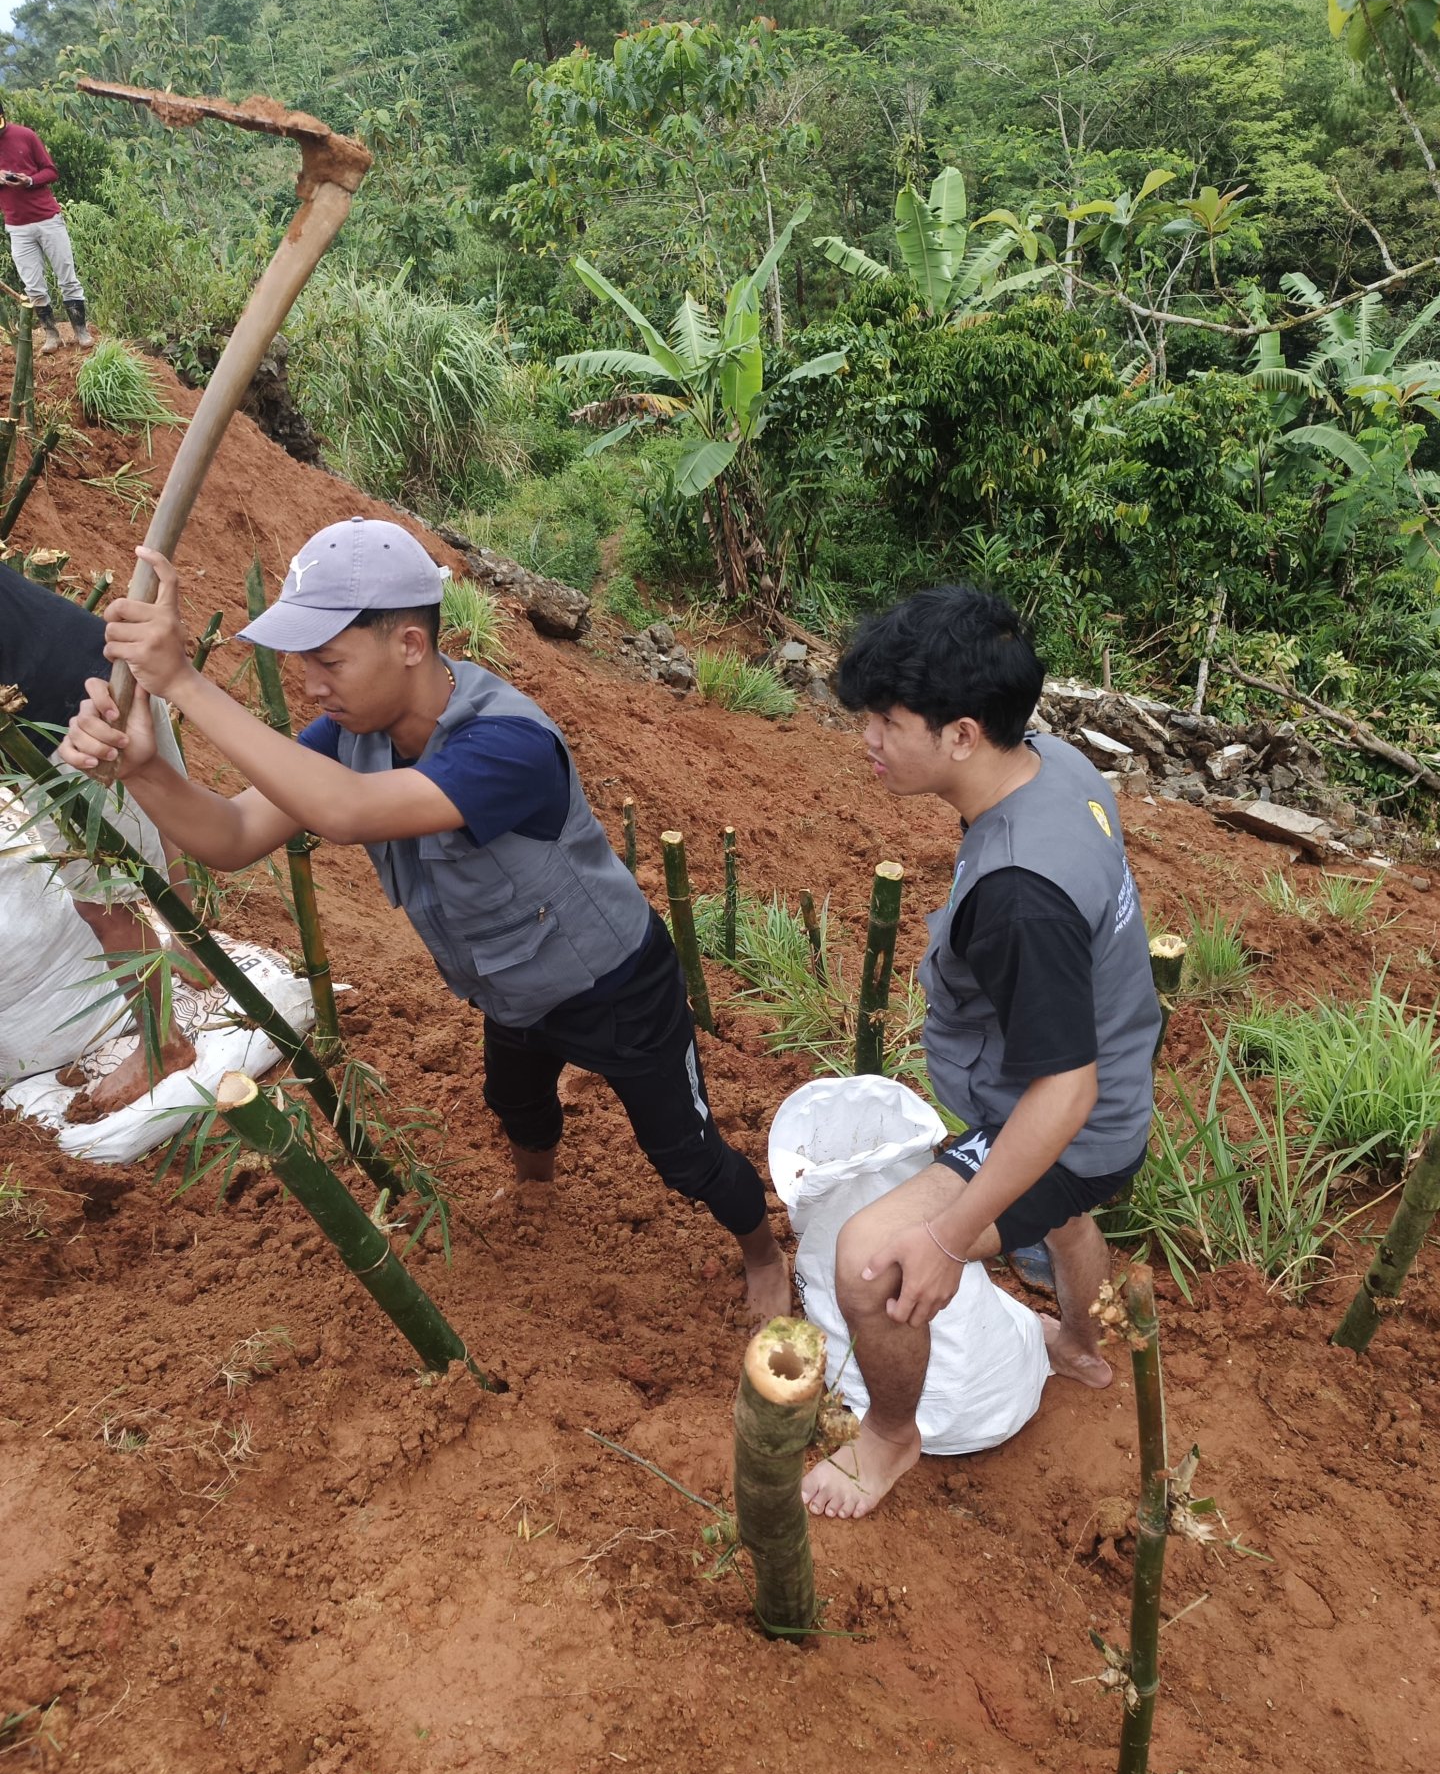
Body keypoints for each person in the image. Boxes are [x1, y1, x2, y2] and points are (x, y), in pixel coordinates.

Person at [58, 518, 791, 1319]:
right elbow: (231, 838)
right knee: (517, 1105)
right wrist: (146, 769)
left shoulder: (506, 745)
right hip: (509, 990)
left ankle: (762, 1251)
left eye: (330, 661)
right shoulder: (348, 735)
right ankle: (536, 1190)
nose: (311, 685)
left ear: (410, 644)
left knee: (683, 1155)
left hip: (612, 986)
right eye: (304, 664)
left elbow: (343, 813)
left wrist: (184, 686)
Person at [800, 586, 1161, 1519]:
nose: (867, 739)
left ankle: (888, 1437)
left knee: (872, 1262)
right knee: (1061, 1211)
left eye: (887, 721)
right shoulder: (1057, 765)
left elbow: (1063, 1093)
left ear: (963, 733)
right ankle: (1077, 1343)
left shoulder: (1017, 897)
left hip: (1075, 1115)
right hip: (1113, 1075)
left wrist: (946, 1240)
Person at [0, 564, 195, 1109]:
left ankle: (164, 1043)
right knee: (160, 811)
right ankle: (192, 942)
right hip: (108, 667)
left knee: (103, 906)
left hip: (71, 716)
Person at [0, 99, 93, 354]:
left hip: (47, 219)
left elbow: (51, 171)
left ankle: (81, 331)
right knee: (33, 285)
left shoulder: (25, 136)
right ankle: (51, 335)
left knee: (67, 276)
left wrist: (28, 180)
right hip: (17, 226)